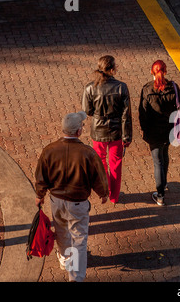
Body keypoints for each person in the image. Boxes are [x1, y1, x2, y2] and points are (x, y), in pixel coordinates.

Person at [34, 111, 109, 282]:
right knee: (79, 240)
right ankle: (75, 277)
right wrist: (103, 193)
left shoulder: (49, 150)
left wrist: (40, 194)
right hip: (78, 203)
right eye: (82, 126)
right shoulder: (87, 153)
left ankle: (65, 259)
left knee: (61, 232)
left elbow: (41, 176)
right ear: (78, 132)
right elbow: (99, 176)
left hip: (56, 201)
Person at [82, 55, 133, 203]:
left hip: (98, 131)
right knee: (116, 164)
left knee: (100, 163)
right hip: (116, 131)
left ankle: (103, 191)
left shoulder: (90, 87)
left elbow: (87, 110)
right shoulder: (121, 87)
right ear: (112, 69)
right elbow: (126, 115)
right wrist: (127, 136)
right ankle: (114, 196)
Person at [139, 60, 180, 206]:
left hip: (153, 132)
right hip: (170, 130)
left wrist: (145, 130)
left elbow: (143, 113)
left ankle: (160, 195)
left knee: (157, 161)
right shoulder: (174, 87)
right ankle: (163, 183)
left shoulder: (147, 89)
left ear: (151, 72)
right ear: (165, 72)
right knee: (165, 155)